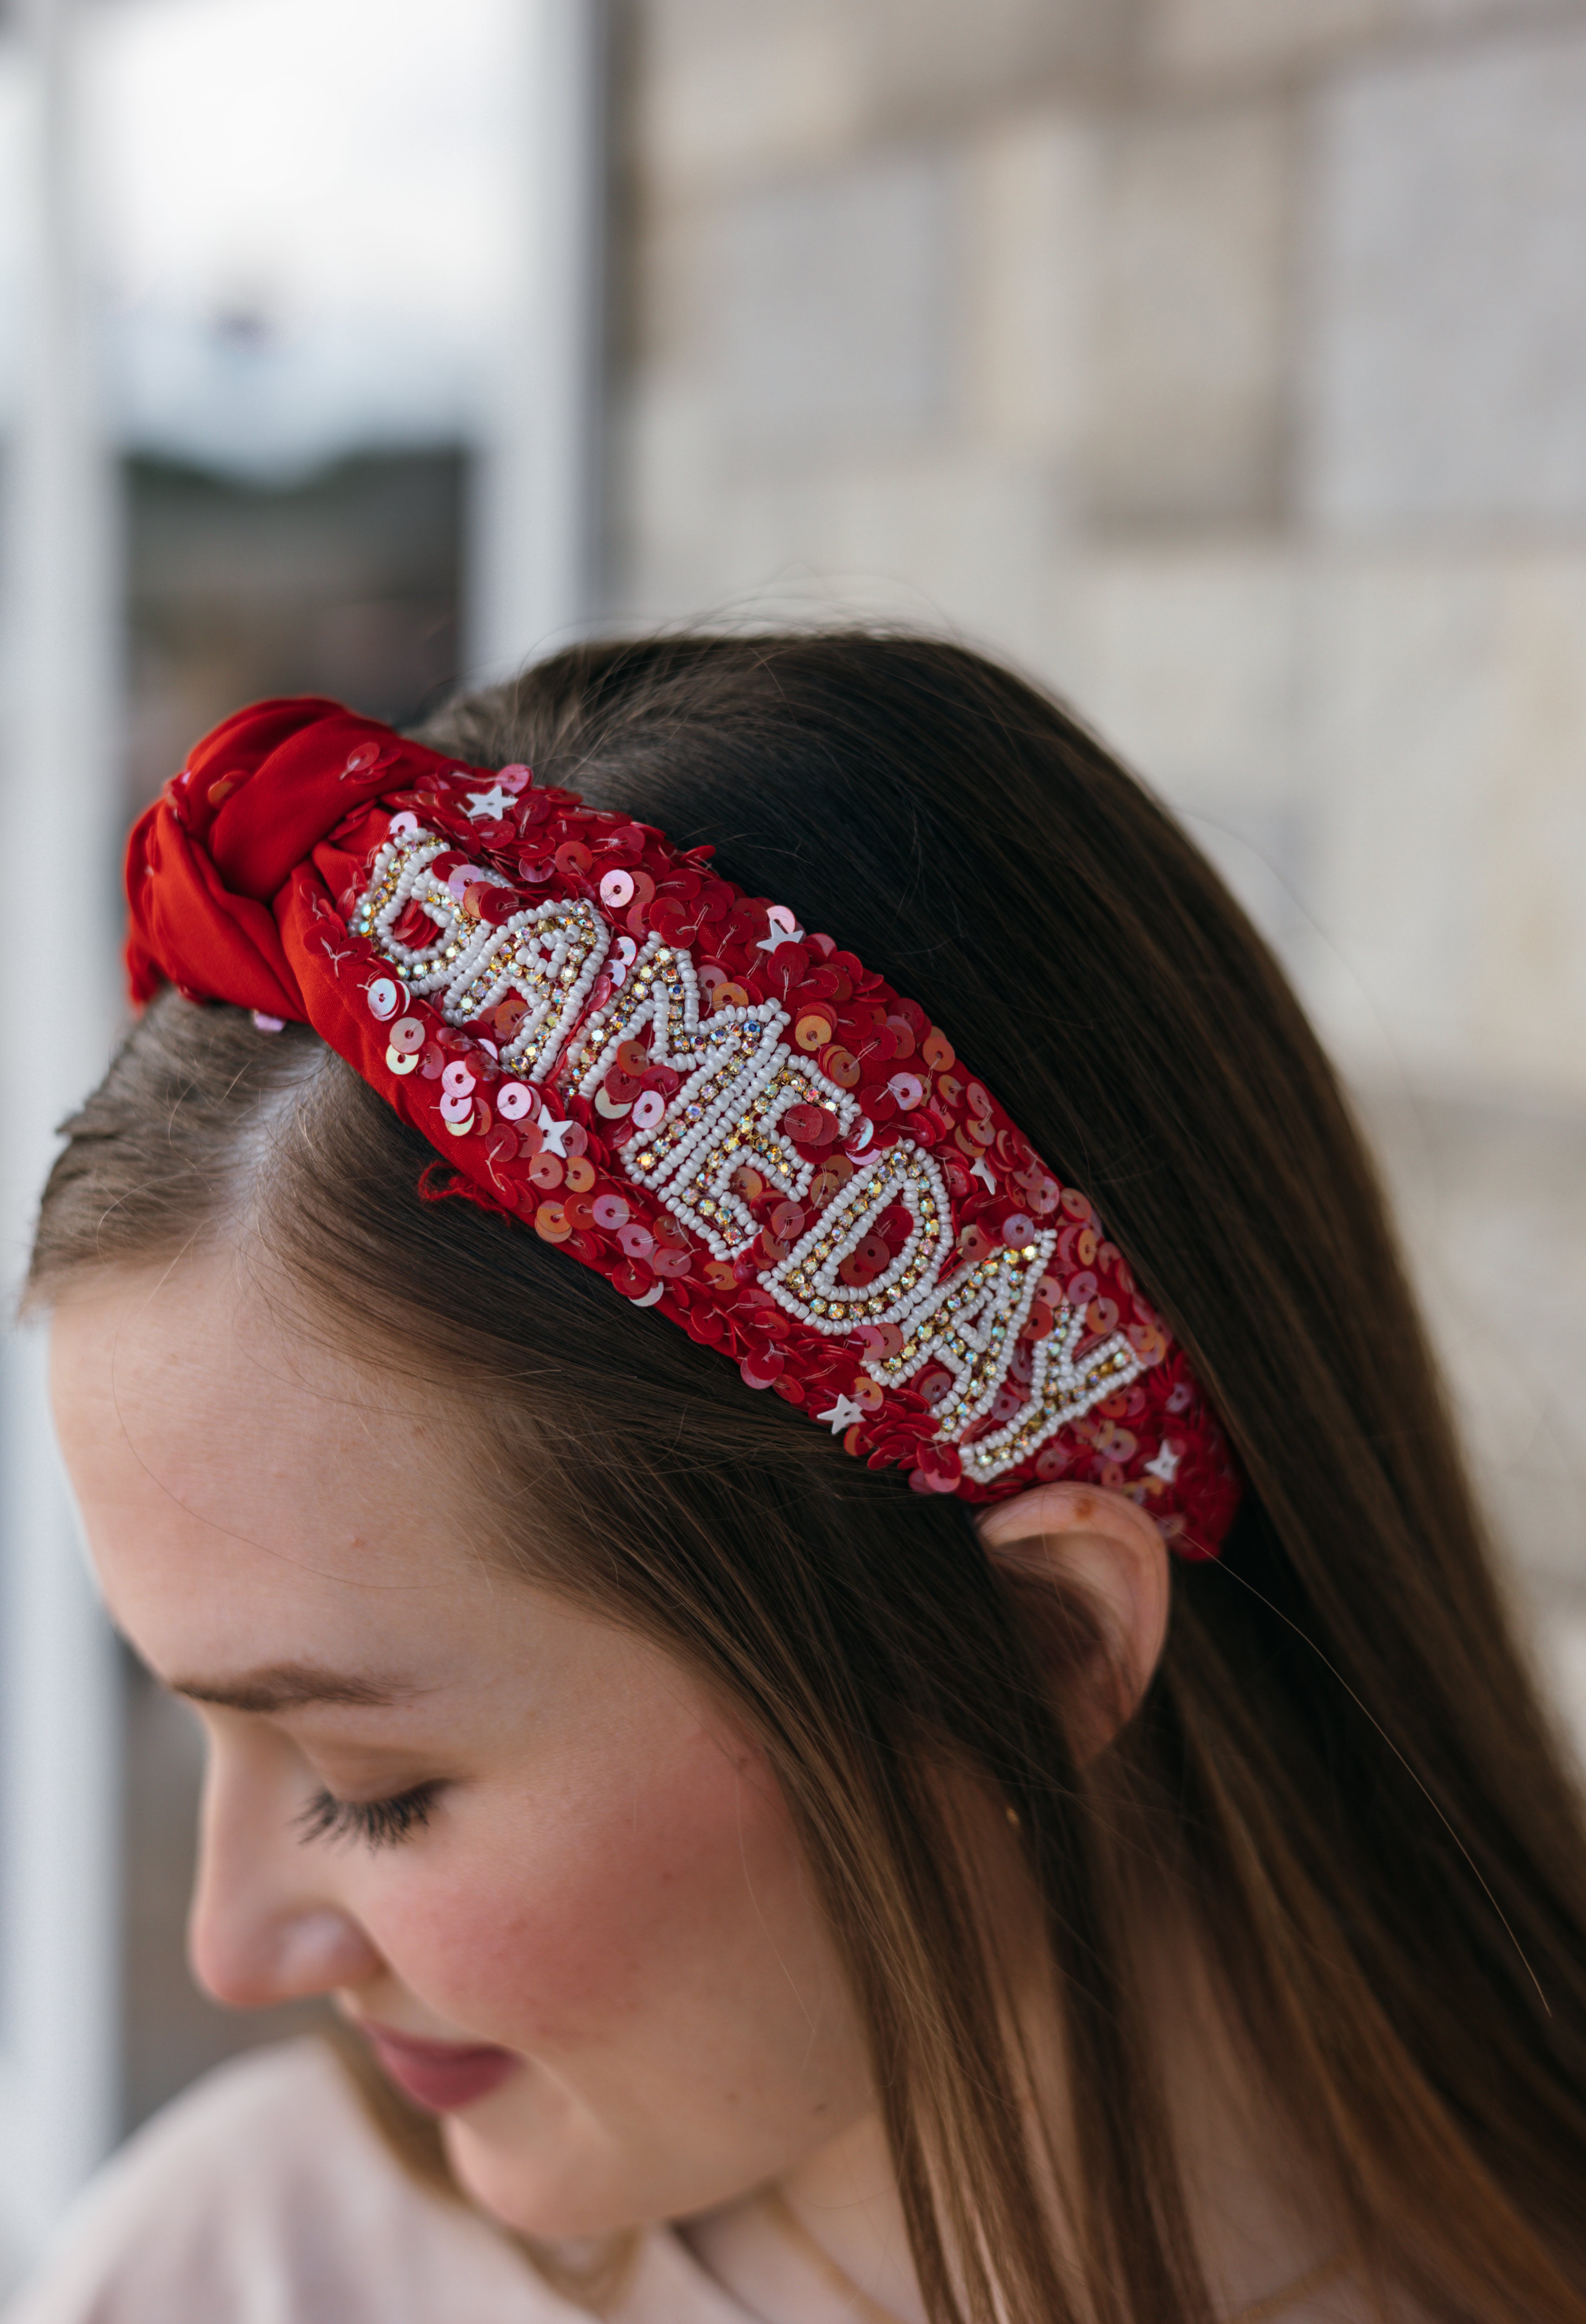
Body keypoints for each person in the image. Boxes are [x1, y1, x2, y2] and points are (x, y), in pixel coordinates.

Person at [10, 633, 1586, 2324]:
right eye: (200, 1725)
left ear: (1034, 1648)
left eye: (371, 1782)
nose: (234, 1953)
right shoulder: (229, 2277)